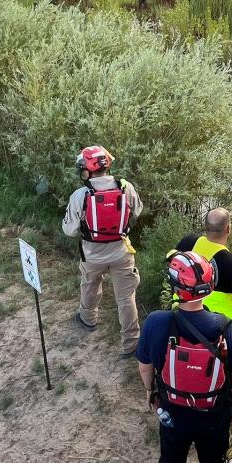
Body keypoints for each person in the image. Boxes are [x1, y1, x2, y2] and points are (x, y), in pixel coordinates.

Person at [138, 251, 232, 463]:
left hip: (172, 409)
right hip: (214, 415)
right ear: (210, 287)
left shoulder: (156, 322)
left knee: (170, 461)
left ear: (174, 287)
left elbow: (144, 365)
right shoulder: (227, 328)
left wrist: (151, 391)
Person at [62, 145, 144, 357]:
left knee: (89, 285)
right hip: (121, 252)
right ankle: (131, 343)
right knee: (126, 299)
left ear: (87, 170)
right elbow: (136, 212)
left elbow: (70, 230)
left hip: (92, 254)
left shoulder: (80, 195)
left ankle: (88, 319)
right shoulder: (126, 187)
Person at [175, 208, 232, 324]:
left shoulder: (188, 242)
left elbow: (172, 265)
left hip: (182, 311)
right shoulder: (231, 264)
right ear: (228, 229)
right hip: (217, 323)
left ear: (205, 226)